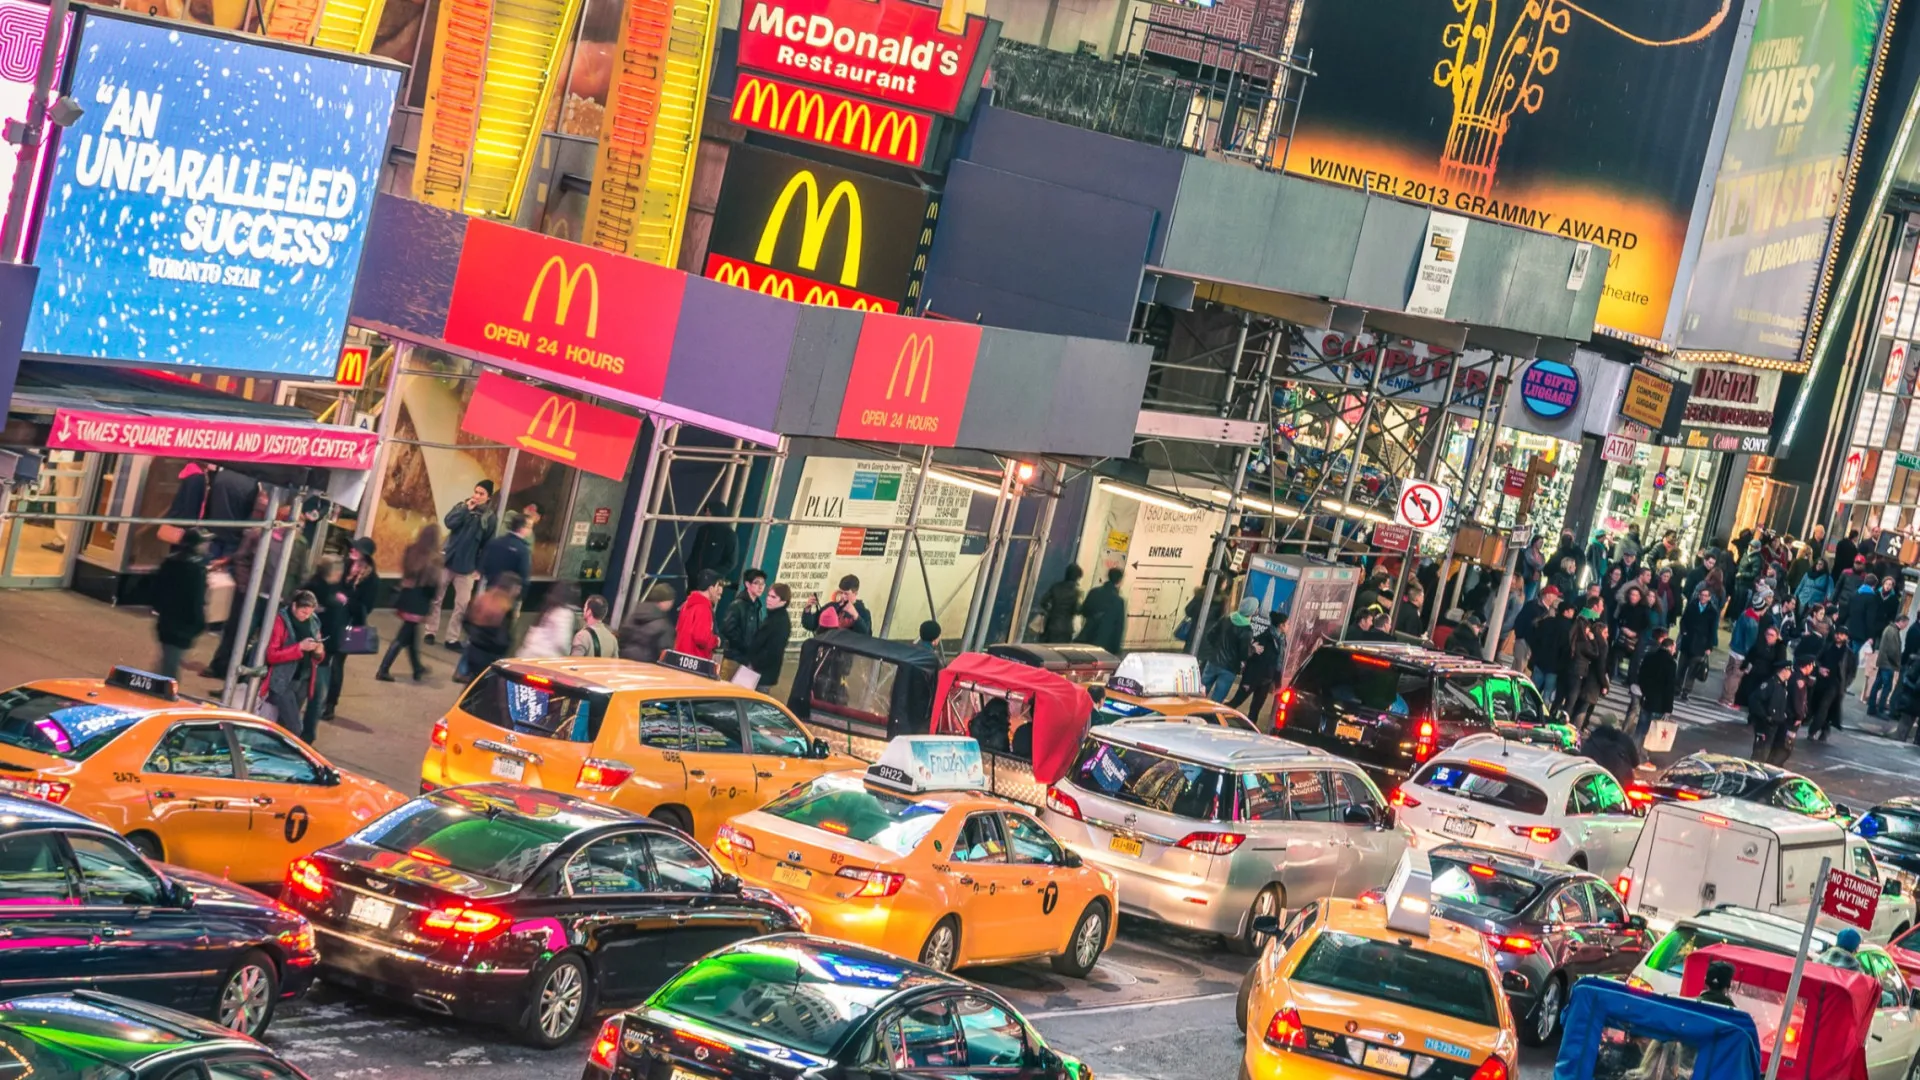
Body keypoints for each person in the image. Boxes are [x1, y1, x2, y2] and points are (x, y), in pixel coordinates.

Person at [430, 480, 496, 649]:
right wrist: (466, 509)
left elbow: (487, 545)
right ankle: (430, 631)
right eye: (476, 492)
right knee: (436, 598)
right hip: (447, 561)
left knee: (462, 605)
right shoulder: (462, 507)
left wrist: (479, 568)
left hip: (467, 567)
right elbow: (449, 522)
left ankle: (452, 638)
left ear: (488, 497)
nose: (477, 496)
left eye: (481, 494)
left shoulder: (489, 518)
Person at [321, 538, 379, 719]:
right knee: (321, 660)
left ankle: (330, 705)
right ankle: (316, 699)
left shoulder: (371, 579)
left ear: (364, 555)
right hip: (330, 621)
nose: (352, 550)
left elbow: (366, 607)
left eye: (357, 549)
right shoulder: (343, 565)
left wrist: (347, 600)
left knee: (336, 665)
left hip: (348, 627)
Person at [378, 525, 441, 683]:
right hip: (419, 601)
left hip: (406, 597)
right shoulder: (434, 558)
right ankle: (383, 669)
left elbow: (405, 572)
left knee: (411, 635)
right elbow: (432, 585)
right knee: (402, 637)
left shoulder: (411, 550)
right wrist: (432, 602)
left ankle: (417, 668)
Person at [263, 590, 325, 743]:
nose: (306, 616)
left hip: (303, 680)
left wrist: (318, 652)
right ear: (294, 606)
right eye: (303, 612)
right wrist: (299, 648)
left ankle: (275, 749)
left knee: (284, 724)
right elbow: (272, 655)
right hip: (283, 682)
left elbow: (318, 657)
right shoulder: (280, 622)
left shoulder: (313, 621)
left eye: (310, 613)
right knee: (295, 727)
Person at [151, 528, 211, 679]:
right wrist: (200, 622)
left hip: (166, 619)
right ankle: (160, 689)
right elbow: (196, 599)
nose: (208, 545)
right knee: (170, 668)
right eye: (205, 542)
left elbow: (156, 589)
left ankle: (156, 684)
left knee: (168, 659)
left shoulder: (170, 562)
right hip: (183, 624)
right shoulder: (196, 568)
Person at [299, 556, 348, 728]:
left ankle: (303, 730)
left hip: (324, 650)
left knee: (314, 694)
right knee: (313, 693)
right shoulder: (316, 590)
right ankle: (304, 732)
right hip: (316, 649)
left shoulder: (333, 589)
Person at [460, 573, 520, 682]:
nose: (519, 591)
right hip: (489, 654)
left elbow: (465, 620)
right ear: (512, 588)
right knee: (484, 685)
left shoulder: (483, 598)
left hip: (474, 648)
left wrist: (474, 635)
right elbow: (501, 638)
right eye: (518, 588)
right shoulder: (505, 606)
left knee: (474, 683)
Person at [1198, 598, 1257, 702]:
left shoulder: (1226, 619)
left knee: (1199, 693)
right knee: (1216, 701)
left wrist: (1217, 649)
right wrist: (1253, 649)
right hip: (1229, 669)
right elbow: (1244, 654)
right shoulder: (1247, 630)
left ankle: (1193, 710)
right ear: (1252, 611)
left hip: (1213, 662)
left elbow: (1210, 636)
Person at [1230, 616, 1283, 726]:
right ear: (1281, 625)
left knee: (1256, 709)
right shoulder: (1264, 638)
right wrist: (1247, 680)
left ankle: (1250, 729)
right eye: (1287, 624)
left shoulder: (1280, 640)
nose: (1289, 626)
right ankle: (1217, 717)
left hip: (1266, 680)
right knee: (1236, 701)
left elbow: (1278, 663)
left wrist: (1276, 681)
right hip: (1253, 678)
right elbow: (1252, 661)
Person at [1809, 627, 1858, 741]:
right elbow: (1816, 660)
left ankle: (1813, 730)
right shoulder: (1827, 647)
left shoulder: (1849, 654)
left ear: (1846, 637)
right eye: (1837, 633)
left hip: (1836, 685)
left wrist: (1845, 684)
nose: (1838, 636)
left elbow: (1852, 672)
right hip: (1822, 682)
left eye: (1842, 634)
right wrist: (1820, 669)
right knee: (1820, 706)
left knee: (1824, 706)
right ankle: (1825, 729)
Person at [719, 569, 768, 680]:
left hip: (747, 660)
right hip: (734, 659)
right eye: (756, 583)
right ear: (747, 584)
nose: (760, 587)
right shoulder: (738, 605)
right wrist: (745, 645)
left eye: (762, 583)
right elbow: (727, 629)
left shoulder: (757, 607)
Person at [1569, 607, 1610, 732]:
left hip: (1585, 677)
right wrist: (1605, 684)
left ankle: (1572, 725)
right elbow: (1601, 666)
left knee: (1578, 705)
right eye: (1605, 633)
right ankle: (1575, 730)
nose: (1607, 635)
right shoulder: (1602, 645)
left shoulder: (1590, 641)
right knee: (1583, 708)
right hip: (1593, 682)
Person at [683, 501, 739, 589]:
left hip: (712, 583)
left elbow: (731, 562)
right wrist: (690, 568)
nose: (706, 514)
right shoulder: (703, 530)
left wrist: (711, 574)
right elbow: (695, 552)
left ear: (716, 511)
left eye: (709, 511)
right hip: (694, 580)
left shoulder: (728, 534)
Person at [1678, 586, 1720, 703]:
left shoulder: (1712, 612)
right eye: (1702, 595)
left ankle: (1686, 691)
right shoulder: (1692, 606)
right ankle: (1677, 688)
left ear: (1709, 598)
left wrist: (1709, 646)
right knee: (1681, 667)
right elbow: (1683, 620)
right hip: (1688, 640)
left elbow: (1712, 630)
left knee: (1693, 670)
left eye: (1706, 596)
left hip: (1700, 644)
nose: (1703, 598)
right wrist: (1684, 632)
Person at [749, 584, 794, 692]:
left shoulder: (780, 622)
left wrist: (754, 663)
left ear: (783, 601)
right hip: (757, 671)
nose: (768, 599)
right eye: (768, 595)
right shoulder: (772, 616)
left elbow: (773, 651)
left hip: (763, 674)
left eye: (773, 597)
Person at [1531, 601, 1575, 710]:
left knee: (1533, 691)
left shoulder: (1547, 622)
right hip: (1554, 667)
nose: (1573, 613)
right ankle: (1542, 715)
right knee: (1547, 695)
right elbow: (1565, 649)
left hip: (1540, 661)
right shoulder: (1568, 628)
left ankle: (1528, 709)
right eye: (1571, 611)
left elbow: (1535, 639)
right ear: (1566, 612)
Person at [620, 583, 678, 663]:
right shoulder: (663, 625)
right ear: (665, 602)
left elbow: (622, 637)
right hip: (647, 666)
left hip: (625, 661)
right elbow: (666, 655)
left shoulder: (633, 615)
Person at [1635, 630, 1678, 738]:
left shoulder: (1649, 656)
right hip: (1659, 704)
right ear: (1670, 647)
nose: (1675, 650)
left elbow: (1641, 675)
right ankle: (1644, 749)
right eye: (1674, 648)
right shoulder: (1671, 663)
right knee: (1652, 734)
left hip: (1646, 699)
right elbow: (1669, 687)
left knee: (1640, 730)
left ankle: (1635, 747)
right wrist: (1668, 709)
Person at [1749, 660, 1793, 763]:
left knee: (1767, 750)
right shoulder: (1770, 684)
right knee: (1760, 751)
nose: (1791, 673)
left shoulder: (1782, 686)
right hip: (1765, 724)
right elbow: (1755, 699)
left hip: (1775, 724)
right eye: (1789, 671)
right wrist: (1765, 716)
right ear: (1784, 670)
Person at [517, 583, 578, 657]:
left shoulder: (548, 609)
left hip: (527, 655)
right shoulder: (564, 613)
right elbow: (561, 642)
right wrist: (569, 653)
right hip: (544, 658)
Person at [676, 568, 725, 659]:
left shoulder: (686, 604)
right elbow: (701, 638)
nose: (719, 598)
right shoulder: (703, 609)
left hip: (680, 658)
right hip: (695, 660)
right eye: (718, 594)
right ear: (711, 589)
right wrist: (716, 641)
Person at [480, 510, 533, 591]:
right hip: (508, 592)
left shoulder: (494, 542)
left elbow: (484, 564)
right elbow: (524, 576)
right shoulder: (523, 550)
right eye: (530, 527)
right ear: (523, 528)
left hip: (491, 588)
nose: (531, 530)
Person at [1076, 568, 1126, 654]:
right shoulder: (1118, 601)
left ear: (1108, 576)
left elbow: (1084, 611)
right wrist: (1116, 649)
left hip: (1088, 637)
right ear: (1119, 581)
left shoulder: (1094, 592)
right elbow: (1119, 627)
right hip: (1105, 643)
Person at [803, 575, 873, 637]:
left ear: (855, 593)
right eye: (841, 592)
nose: (842, 596)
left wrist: (856, 616)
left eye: (846, 594)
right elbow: (811, 626)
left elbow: (866, 637)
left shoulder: (863, 612)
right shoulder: (832, 607)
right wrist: (807, 610)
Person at [1872, 614, 1910, 718]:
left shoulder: (1890, 629)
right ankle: (1880, 709)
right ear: (1901, 621)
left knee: (1877, 685)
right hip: (1888, 663)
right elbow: (1893, 651)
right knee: (1887, 687)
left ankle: (1872, 707)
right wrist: (1898, 662)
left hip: (1884, 662)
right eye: (1905, 624)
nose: (1905, 626)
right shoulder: (1893, 631)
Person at [1036, 564, 1083, 642]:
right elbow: (1076, 610)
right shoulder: (1076, 592)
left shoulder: (1056, 586)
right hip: (1065, 628)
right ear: (1076, 578)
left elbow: (1043, 602)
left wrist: (1051, 610)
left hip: (1051, 625)